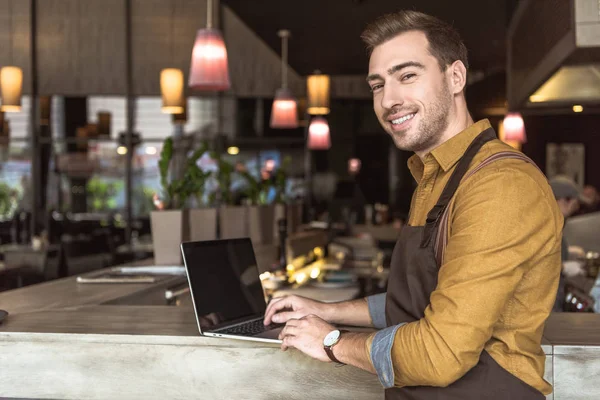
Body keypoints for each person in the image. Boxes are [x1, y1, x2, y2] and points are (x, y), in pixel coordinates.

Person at [264, 10, 562, 399]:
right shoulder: (434, 176)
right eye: (377, 85)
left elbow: (440, 354)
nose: (389, 100)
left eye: (407, 76)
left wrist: (331, 341)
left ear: (455, 77)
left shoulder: (500, 185)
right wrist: (326, 309)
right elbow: (424, 299)